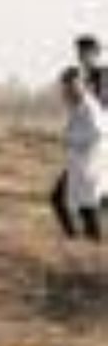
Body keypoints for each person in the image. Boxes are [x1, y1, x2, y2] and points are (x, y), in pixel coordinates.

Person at [51, 66, 105, 241]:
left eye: (73, 85)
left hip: (90, 166)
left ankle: (86, 244)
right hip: (79, 166)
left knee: (83, 205)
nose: (69, 90)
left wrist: (72, 139)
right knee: (78, 204)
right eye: (67, 86)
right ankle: (81, 242)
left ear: (82, 85)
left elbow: (98, 133)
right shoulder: (77, 106)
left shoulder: (90, 107)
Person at [76, 35, 106, 103]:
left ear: (97, 53)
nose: (84, 56)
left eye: (88, 52)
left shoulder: (104, 74)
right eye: (81, 52)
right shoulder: (71, 75)